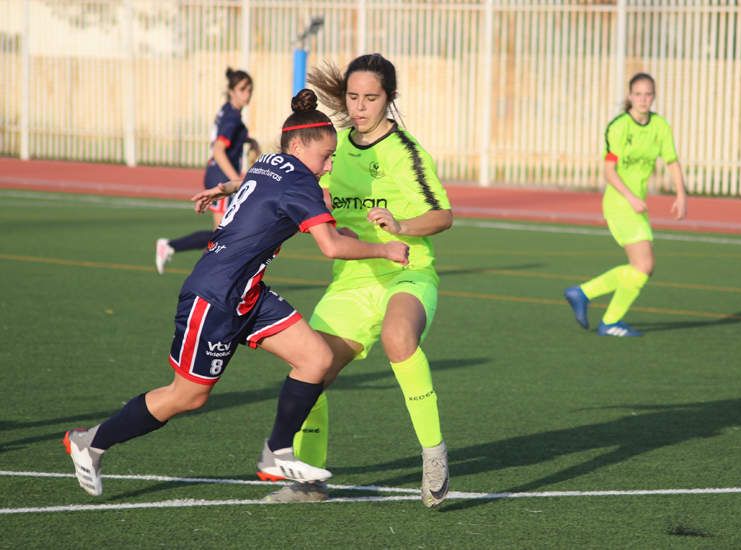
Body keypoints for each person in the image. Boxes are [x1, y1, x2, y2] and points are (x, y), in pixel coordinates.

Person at [63, 90, 409, 497]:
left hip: (248, 294)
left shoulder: (271, 161)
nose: (329, 164)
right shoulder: (300, 182)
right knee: (187, 397)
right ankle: (89, 443)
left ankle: (276, 452)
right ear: (298, 147)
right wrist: (385, 249)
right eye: (326, 156)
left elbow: (254, 180)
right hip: (212, 298)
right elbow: (330, 247)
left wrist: (226, 186)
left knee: (316, 358)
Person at [256, 53, 453, 508]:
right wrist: (232, 189)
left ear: (390, 99)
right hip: (351, 280)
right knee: (312, 365)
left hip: (407, 270)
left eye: (371, 97)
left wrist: (401, 225)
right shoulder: (333, 145)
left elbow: (443, 215)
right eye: (353, 97)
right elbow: (284, 178)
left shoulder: (406, 152)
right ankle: (308, 482)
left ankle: (434, 453)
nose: (360, 106)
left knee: (398, 336)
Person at [564, 72, 687, 337]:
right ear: (630, 96)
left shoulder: (660, 126)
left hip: (636, 206)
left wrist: (681, 194)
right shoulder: (619, 127)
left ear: (654, 96)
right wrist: (630, 197)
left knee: (642, 268)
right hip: (620, 203)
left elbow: (672, 161)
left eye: (649, 94)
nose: (644, 99)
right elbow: (609, 172)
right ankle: (608, 319)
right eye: (639, 94)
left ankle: (584, 295)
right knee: (644, 265)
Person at [155, 67, 260, 275]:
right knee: (223, 235)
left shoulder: (227, 111)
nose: (247, 94)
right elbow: (219, 150)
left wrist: (249, 140)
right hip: (221, 178)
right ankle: (181, 253)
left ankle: (179, 252)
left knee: (222, 234)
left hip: (216, 174)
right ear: (232, 91)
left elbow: (228, 140)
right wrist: (237, 180)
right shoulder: (232, 118)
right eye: (242, 89)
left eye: (249, 89)